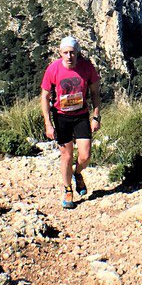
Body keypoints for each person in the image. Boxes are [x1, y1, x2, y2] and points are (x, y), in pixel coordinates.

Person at [40, 36, 101, 209]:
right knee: (66, 156)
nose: (69, 56)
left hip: (81, 115)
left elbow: (95, 93)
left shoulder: (87, 67)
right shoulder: (53, 69)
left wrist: (96, 116)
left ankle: (77, 173)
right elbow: (44, 97)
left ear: (77, 53)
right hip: (61, 117)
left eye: (72, 53)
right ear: (60, 53)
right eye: (65, 53)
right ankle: (68, 190)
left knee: (85, 155)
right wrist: (48, 123)